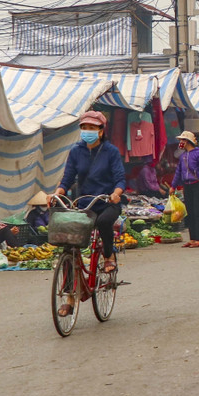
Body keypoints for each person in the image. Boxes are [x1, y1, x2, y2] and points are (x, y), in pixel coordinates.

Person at [53, 110, 125, 318]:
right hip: (85, 203)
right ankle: (69, 298)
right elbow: (67, 179)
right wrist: (58, 192)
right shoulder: (76, 151)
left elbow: (120, 178)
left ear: (101, 131)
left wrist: (116, 193)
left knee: (103, 223)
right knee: (70, 246)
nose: (87, 132)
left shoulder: (111, 151)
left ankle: (108, 255)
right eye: (84, 128)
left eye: (92, 128)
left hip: (106, 202)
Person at [172, 131, 199, 248]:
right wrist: (173, 186)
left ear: (188, 141)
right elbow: (178, 172)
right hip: (187, 186)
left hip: (197, 185)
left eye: (182, 140)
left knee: (197, 212)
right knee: (189, 212)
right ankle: (192, 239)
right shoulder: (183, 156)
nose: (180, 142)